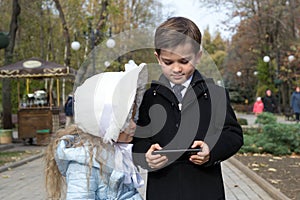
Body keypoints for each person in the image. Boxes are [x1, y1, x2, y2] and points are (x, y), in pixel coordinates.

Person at [132, 17, 243, 200]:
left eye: (184, 61)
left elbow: (233, 134)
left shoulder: (215, 94)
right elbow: (139, 140)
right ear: (157, 58)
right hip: (163, 190)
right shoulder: (149, 97)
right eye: (168, 62)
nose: (176, 69)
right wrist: (146, 157)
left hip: (205, 189)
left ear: (198, 56)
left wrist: (211, 150)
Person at [44, 65, 147, 200]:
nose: (134, 125)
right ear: (106, 123)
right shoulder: (83, 165)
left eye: (134, 117)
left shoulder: (116, 152)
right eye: (126, 120)